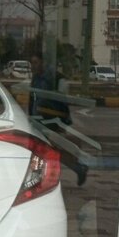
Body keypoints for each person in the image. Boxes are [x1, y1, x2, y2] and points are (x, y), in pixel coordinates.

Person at [29, 52, 88, 186]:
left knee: (46, 149)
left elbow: (61, 102)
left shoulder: (54, 79)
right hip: (39, 119)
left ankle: (37, 177)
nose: (33, 66)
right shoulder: (36, 78)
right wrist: (31, 115)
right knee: (44, 149)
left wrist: (61, 122)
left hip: (51, 121)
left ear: (43, 63)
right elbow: (33, 99)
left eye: (36, 62)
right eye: (32, 63)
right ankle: (78, 168)